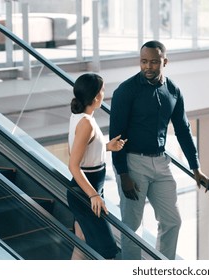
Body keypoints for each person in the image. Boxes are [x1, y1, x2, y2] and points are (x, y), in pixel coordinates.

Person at [109, 40, 209, 260]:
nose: (148, 67)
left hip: (161, 162)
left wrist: (196, 168)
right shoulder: (126, 91)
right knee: (132, 227)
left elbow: (183, 130)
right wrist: (123, 174)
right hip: (132, 162)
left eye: (154, 62)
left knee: (172, 221)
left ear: (164, 61)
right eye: (144, 61)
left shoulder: (173, 90)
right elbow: (115, 136)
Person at [67, 73, 127, 259]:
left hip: (89, 188)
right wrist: (93, 195)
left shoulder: (81, 117)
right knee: (107, 251)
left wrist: (108, 147)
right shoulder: (86, 124)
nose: (104, 93)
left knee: (82, 242)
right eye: (102, 90)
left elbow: (85, 150)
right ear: (95, 97)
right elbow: (73, 165)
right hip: (87, 191)